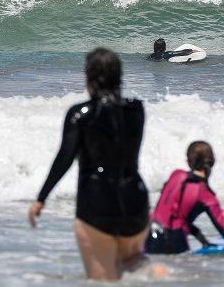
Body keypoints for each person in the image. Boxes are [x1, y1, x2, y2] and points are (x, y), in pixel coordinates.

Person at [29, 48, 149, 281]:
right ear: (119, 76)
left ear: (89, 77)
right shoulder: (137, 110)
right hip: (135, 202)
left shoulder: (80, 114)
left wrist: (41, 198)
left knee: (103, 281)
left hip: (97, 204)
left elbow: (65, 158)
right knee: (133, 270)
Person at [145, 141, 224, 253]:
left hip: (148, 235)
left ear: (188, 161)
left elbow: (171, 214)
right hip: (173, 242)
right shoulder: (206, 196)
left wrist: (202, 239)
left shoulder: (175, 175)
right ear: (212, 162)